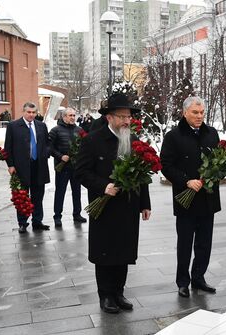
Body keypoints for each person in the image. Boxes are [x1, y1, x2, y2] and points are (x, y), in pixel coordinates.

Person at [75, 93, 151, 314]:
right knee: (105, 251)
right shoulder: (92, 140)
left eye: (129, 116)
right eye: (122, 116)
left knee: (124, 251)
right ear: (109, 117)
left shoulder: (133, 140)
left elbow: (142, 175)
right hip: (104, 206)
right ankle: (106, 295)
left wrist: (144, 203)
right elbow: (81, 173)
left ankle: (119, 292)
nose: (127, 121)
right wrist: (103, 186)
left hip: (128, 207)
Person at [160, 96, 220, 298]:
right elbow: (166, 166)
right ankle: (183, 281)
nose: (199, 116)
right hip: (185, 198)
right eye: (195, 112)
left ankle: (199, 277)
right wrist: (186, 181)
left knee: (205, 243)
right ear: (185, 112)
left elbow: (219, 162)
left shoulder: (212, 134)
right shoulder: (173, 136)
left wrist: (213, 175)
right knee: (185, 243)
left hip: (208, 198)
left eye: (202, 112)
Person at [4, 102, 51, 233]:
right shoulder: (13, 126)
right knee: (22, 195)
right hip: (21, 167)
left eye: (33, 112)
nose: (31, 115)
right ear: (23, 112)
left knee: (38, 195)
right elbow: (8, 147)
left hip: (39, 166)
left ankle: (37, 221)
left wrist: (45, 153)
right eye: (29, 112)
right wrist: (10, 164)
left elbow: (48, 143)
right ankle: (22, 222)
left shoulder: (41, 126)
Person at [49, 107, 87, 226]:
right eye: (70, 115)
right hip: (62, 167)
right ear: (64, 117)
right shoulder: (55, 130)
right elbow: (49, 147)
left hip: (76, 167)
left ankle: (77, 214)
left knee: (77, 192)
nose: (72, 118)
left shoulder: (79, 130)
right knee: (60, 192)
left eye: (74, 115)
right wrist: (60, 156)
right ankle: (57, 216)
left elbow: (84, 146)